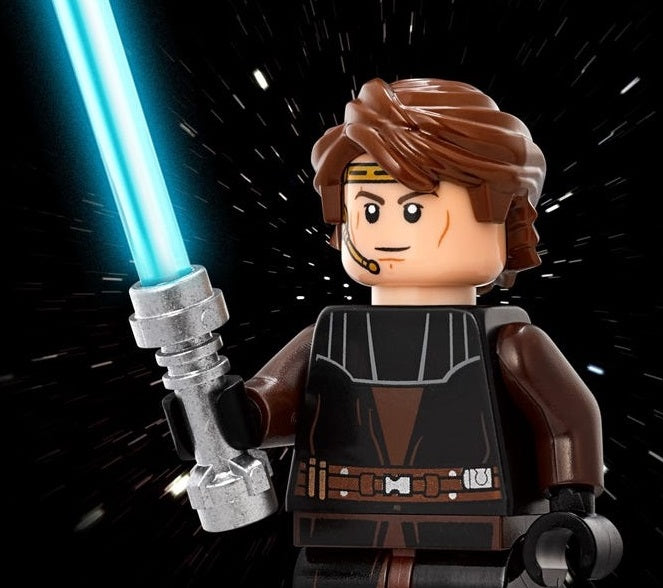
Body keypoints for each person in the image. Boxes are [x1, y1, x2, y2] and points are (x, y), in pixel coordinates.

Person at [174, 78, 622, 587]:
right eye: (369, 209)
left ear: (505, 218)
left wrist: (572, 506)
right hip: (342, 543)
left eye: (414, 209)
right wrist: (232, 414)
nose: (387, 231)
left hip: (477, 547)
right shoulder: (327, 339)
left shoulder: (510, 343)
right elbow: (275, 403)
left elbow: (567, 419)